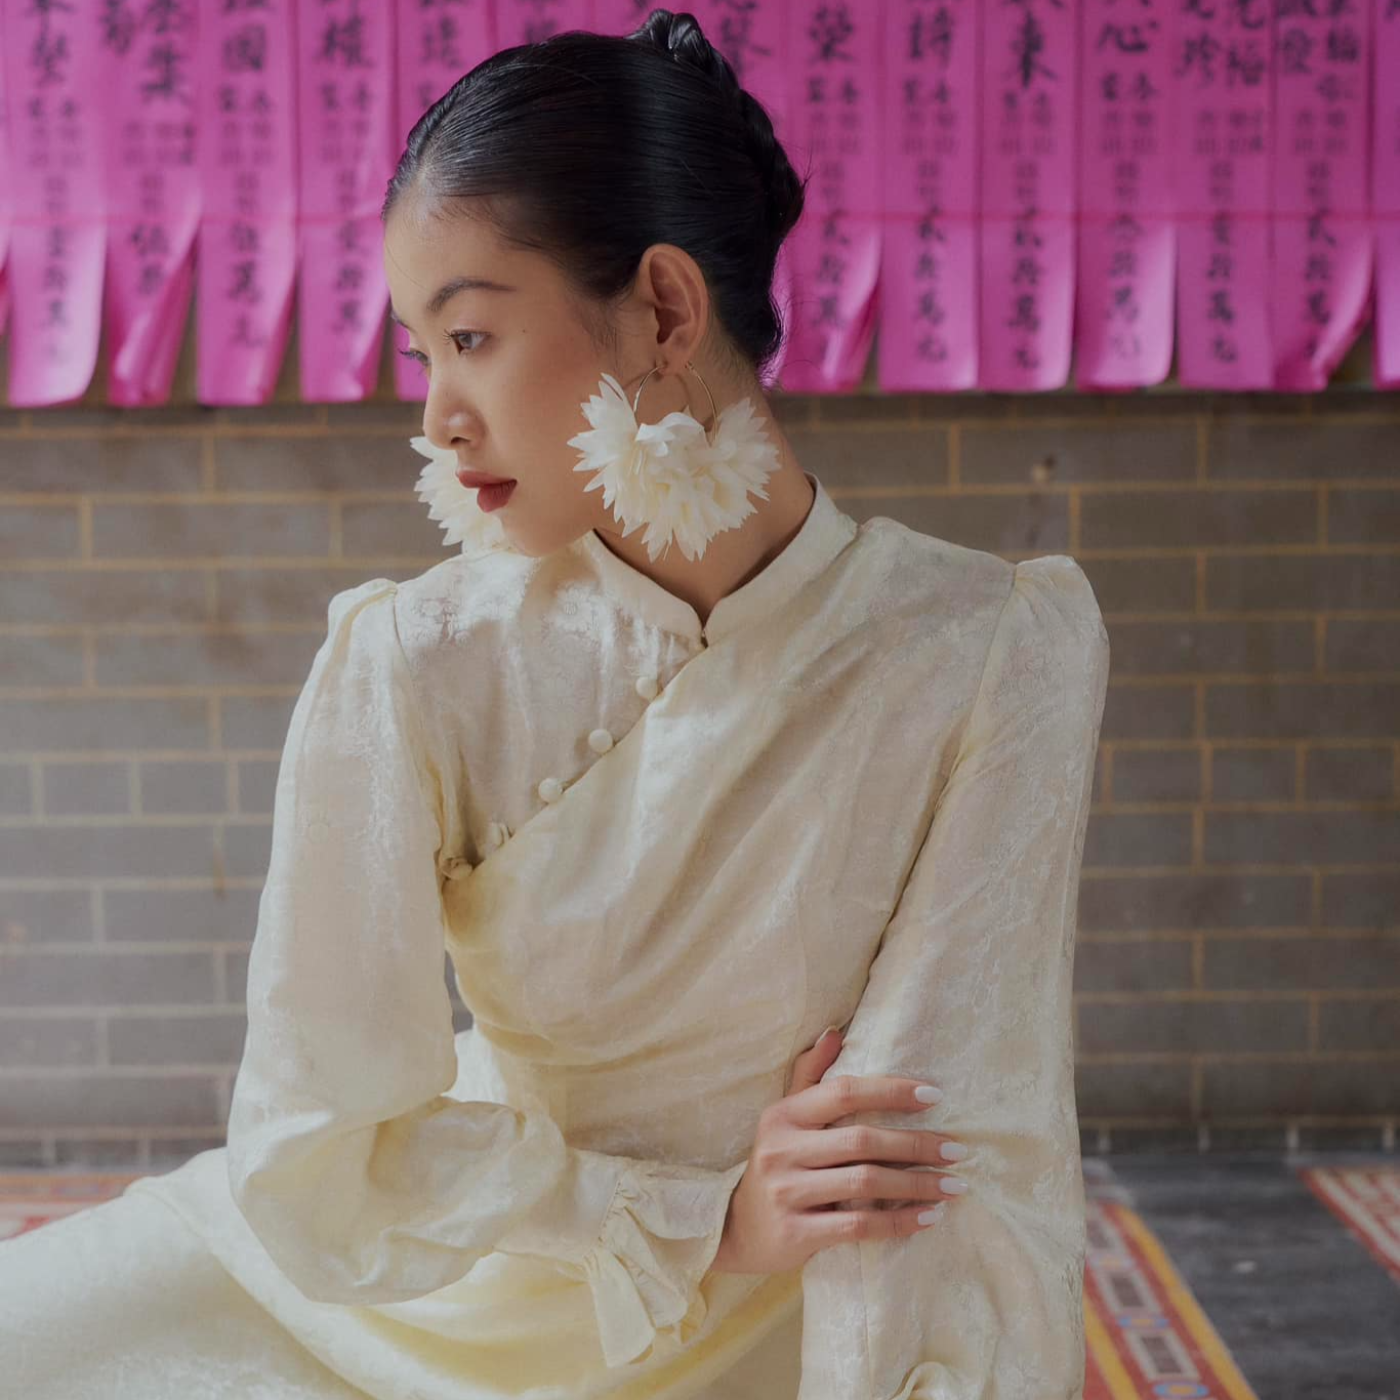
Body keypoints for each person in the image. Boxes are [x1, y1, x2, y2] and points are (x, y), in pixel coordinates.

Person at [0, 10, 1110, 1399]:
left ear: (662, 309)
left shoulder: (987, 647)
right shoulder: (413, 657)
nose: (439, 419)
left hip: (790, 1315)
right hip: (443, 1276)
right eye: (423, 355)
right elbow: (318, 1145)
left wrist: (778, 1254)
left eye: (470, 336)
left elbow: (967, 1138)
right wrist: (694, 1224)